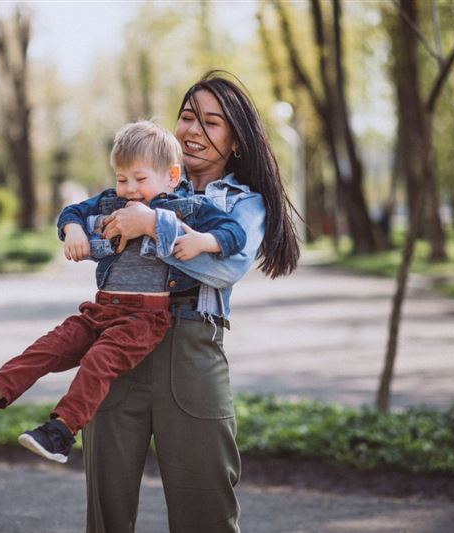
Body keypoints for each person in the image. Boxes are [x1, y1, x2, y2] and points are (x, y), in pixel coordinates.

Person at [0, 120, 247, 464]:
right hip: (101, 309)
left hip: (144, 318)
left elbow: (234, 233)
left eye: (140, 180)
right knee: (50, 346)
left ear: (171, 176)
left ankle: (62, 430)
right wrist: (73, 231)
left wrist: (201, 241)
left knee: (99, 360)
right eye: (121, 179)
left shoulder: (189, 208)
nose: (129, 190)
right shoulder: (111, 201)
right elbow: (72, 212)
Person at [81, 71, 300, 532]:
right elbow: (95, 237)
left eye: (212, 122)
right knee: (106, 509)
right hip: (117, 343)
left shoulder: (245, 204)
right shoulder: (141, 183)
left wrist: (149, 227)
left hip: (192, 348)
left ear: (236, 141)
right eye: (187, 117)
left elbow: (225, 268)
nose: (194, 130)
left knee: (207, 510)